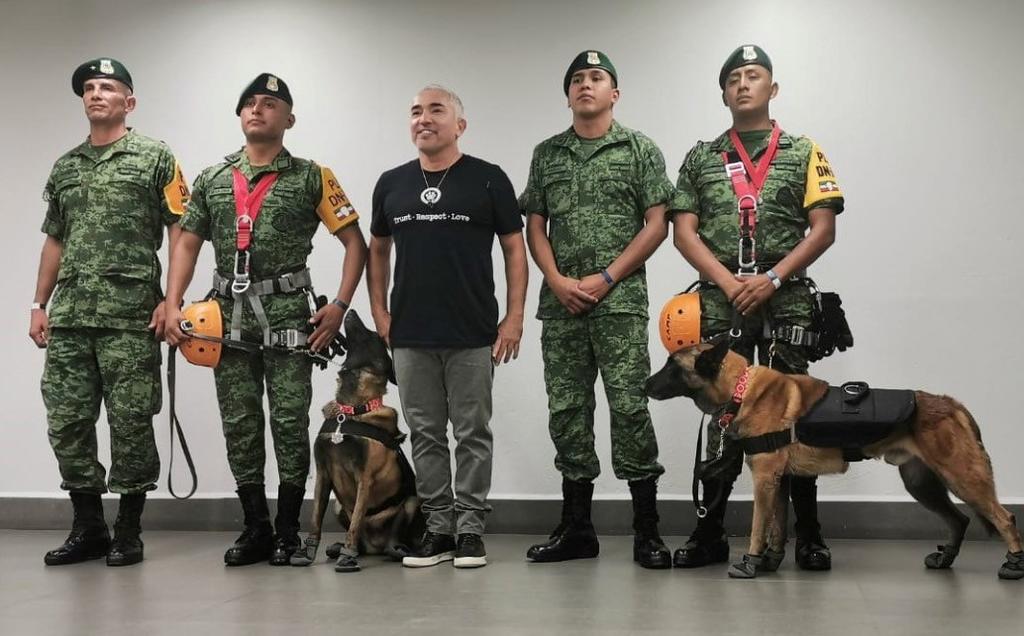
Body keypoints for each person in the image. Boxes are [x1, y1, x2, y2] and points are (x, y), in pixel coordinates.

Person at [164, 73, 367, 566]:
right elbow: (187, 242)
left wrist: (338, 307)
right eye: (250, 104)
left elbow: (355, 243)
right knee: (240, 422)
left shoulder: (313, 176)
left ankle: (287, 530)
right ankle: (254, 526)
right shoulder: (213, 179)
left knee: (288, 421)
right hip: (224, 321)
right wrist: (172, 304)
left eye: (271, 104)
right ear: (240, 116)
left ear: (289, 119)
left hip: (289, 319)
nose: (258, 110)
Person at [669, 45, 844, 571]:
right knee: (724, 417)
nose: (743, 84)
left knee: (795, 419)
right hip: (720, 307)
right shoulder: (701, 157)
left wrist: (770, 278)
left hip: (786, 301)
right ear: (723, 93)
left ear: (773, 88)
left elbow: (824, 228)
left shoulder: (804, 151)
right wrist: (728, 282)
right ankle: (709, 533)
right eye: (734, 78)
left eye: (754, 75)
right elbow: (683, 232)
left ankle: (808, 534)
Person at [31, 58, 189, 566]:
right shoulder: (66, 166)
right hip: (72, 316)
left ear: (129, 102)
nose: (97, 94)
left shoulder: (155, 157)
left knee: (130, 421)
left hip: (130, 317)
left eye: (108, 87)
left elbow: (180, 230)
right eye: (90, 88)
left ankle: (129, 530)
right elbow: (55, 239)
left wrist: (172, 300)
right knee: (68, 421)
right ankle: (89, 526)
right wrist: (39, 304)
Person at [521, 51, 674, 569]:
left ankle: (646, 530)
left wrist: (608, 277)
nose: (586, 85)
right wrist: (557, 280)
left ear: (615, 93)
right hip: (561, 304)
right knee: (567, 412)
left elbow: (657, 223)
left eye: (597, 78)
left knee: (630, 407)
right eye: (577, 80)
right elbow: (534, 225)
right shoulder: (547, 154)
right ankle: (577, 529)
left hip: (620, 304)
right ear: (568, 94)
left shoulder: (638, 149)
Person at [367, 84, 527, 569]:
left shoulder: (488, 180)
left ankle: (471, 529)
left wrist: (514, 317)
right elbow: (378, 249)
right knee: (425, 433)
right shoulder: (391, 183)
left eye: (436, 110)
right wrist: (379, 311)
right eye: (416, 111)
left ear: (460, 124)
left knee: (473, 431)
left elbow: (515, 250)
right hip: (411, 334)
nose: (424, 119)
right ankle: (439, 530)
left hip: (473, 333)